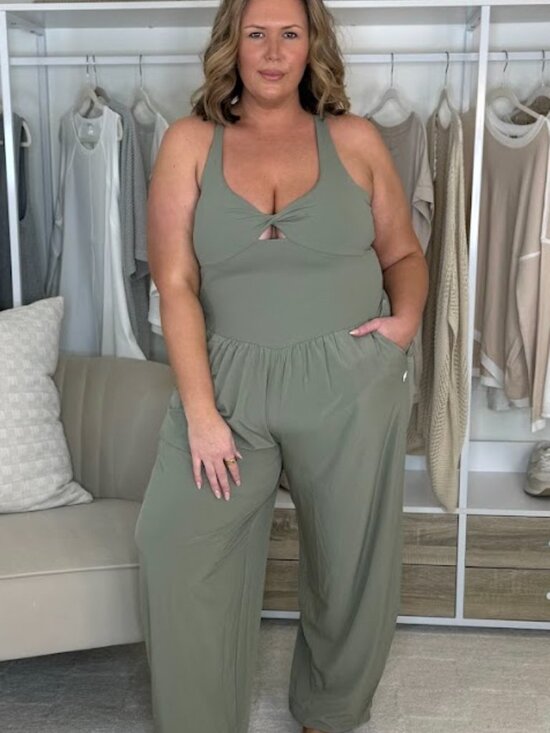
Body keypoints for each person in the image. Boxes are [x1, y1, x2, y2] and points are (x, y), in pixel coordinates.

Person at [134, 0, 429, 731]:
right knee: (175, 545)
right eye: (256, 34)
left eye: (289, 34)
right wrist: (201, 413)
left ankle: (329, 711)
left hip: (348, 381)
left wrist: (402, 327)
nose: (272, 52)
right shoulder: (189, 141)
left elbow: (402, 252)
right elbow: (175, 283)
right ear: (231, 44)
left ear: (311, 44)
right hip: (226, 385)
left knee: (351, 563)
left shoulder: (355, 139)